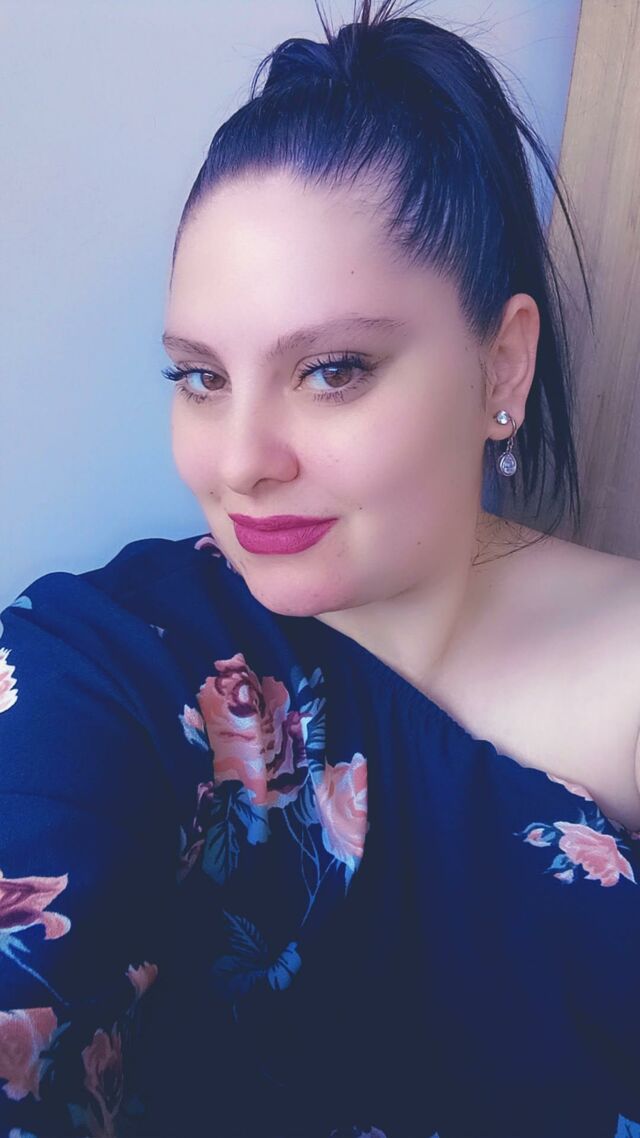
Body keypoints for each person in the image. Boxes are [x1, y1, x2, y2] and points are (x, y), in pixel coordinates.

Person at [1, 0, 639, 1134]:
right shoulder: (125, 657)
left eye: (333, 369)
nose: (240, 462)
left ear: (502, 365)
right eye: (200, 378)